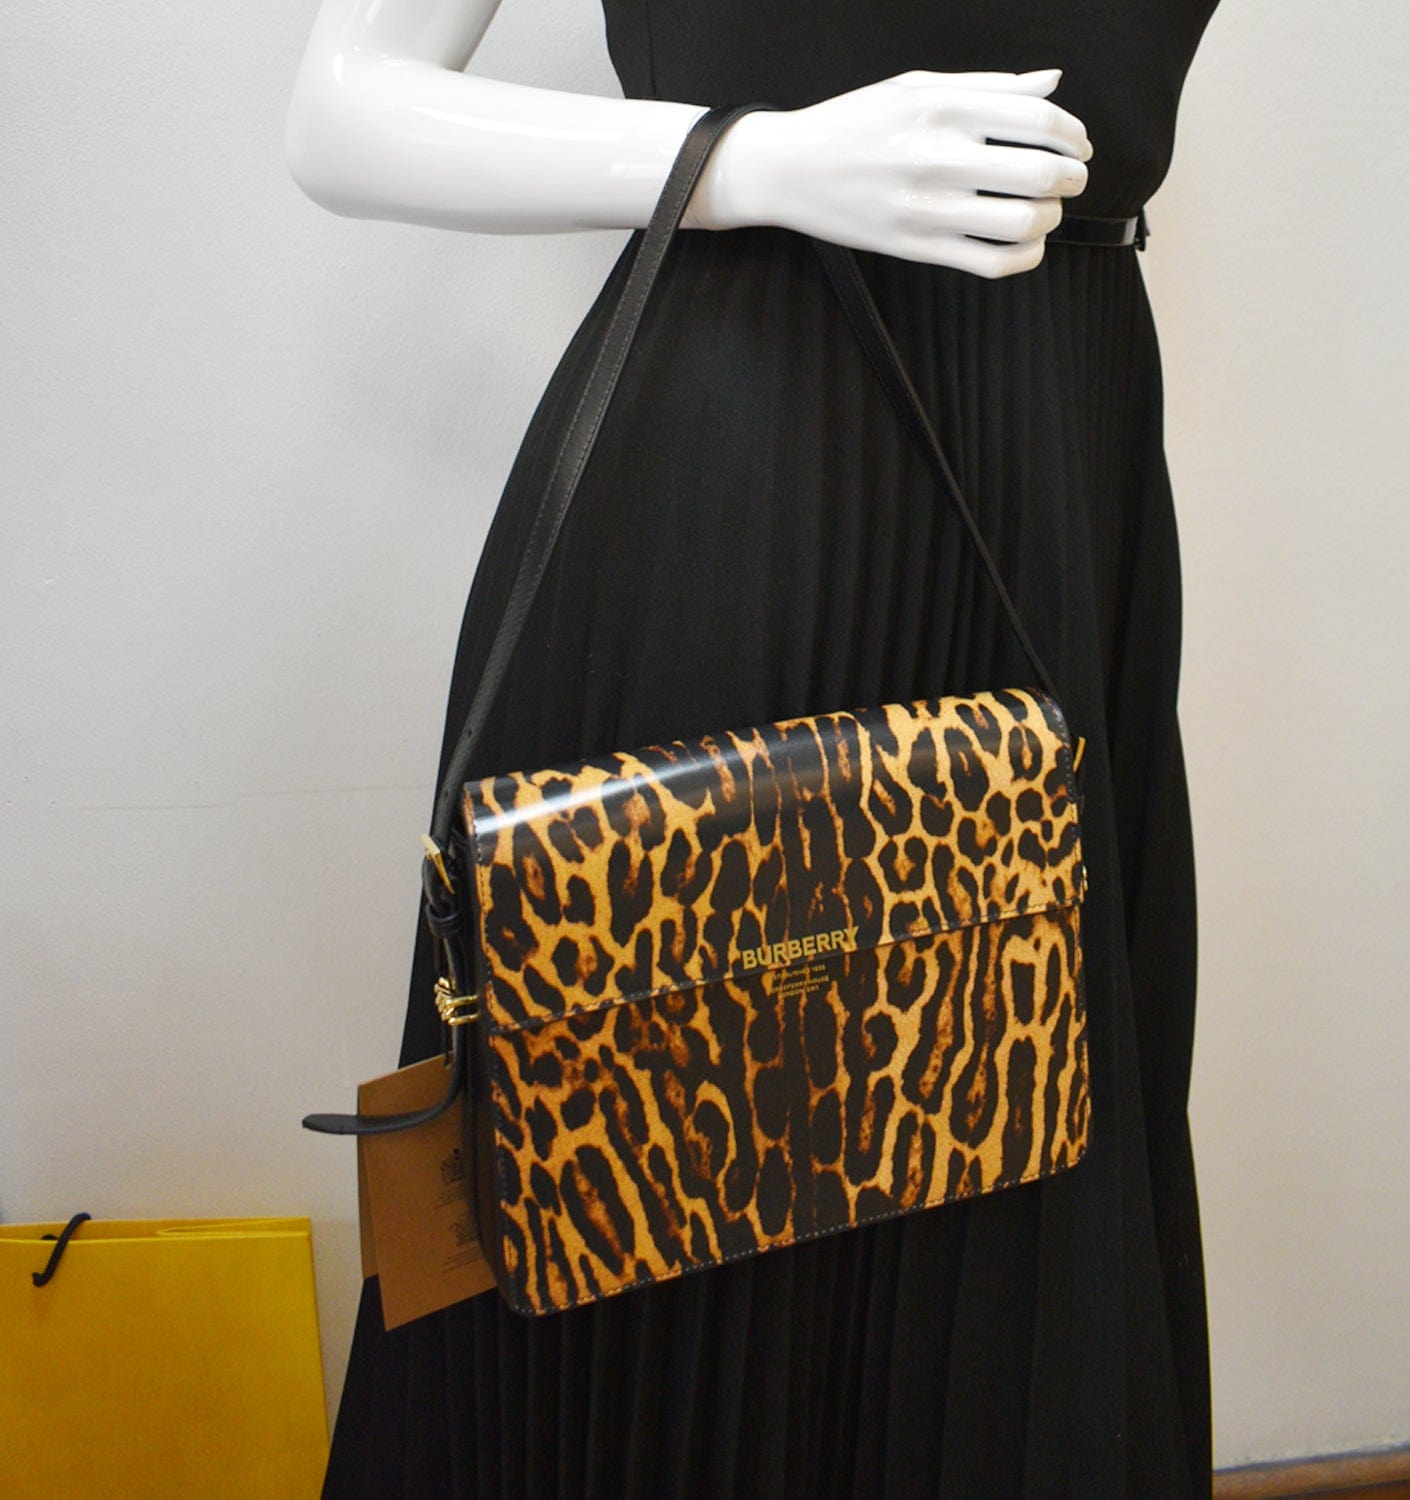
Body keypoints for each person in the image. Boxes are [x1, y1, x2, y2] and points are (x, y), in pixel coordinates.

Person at [287, 0, 1219, 1492]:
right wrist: (758, 162)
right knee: (666, 1150)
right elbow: (342, 110)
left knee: (1025, 1120)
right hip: (746, 464)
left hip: (1064, 468)